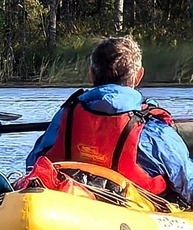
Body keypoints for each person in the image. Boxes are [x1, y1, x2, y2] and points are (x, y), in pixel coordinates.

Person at [26, 36, 193, 205]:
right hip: (131, 213)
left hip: (69, 206)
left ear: (91, 74)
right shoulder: (154, 129)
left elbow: (33, 163)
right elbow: (189, 185)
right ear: (138, 76)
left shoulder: (66, 115)